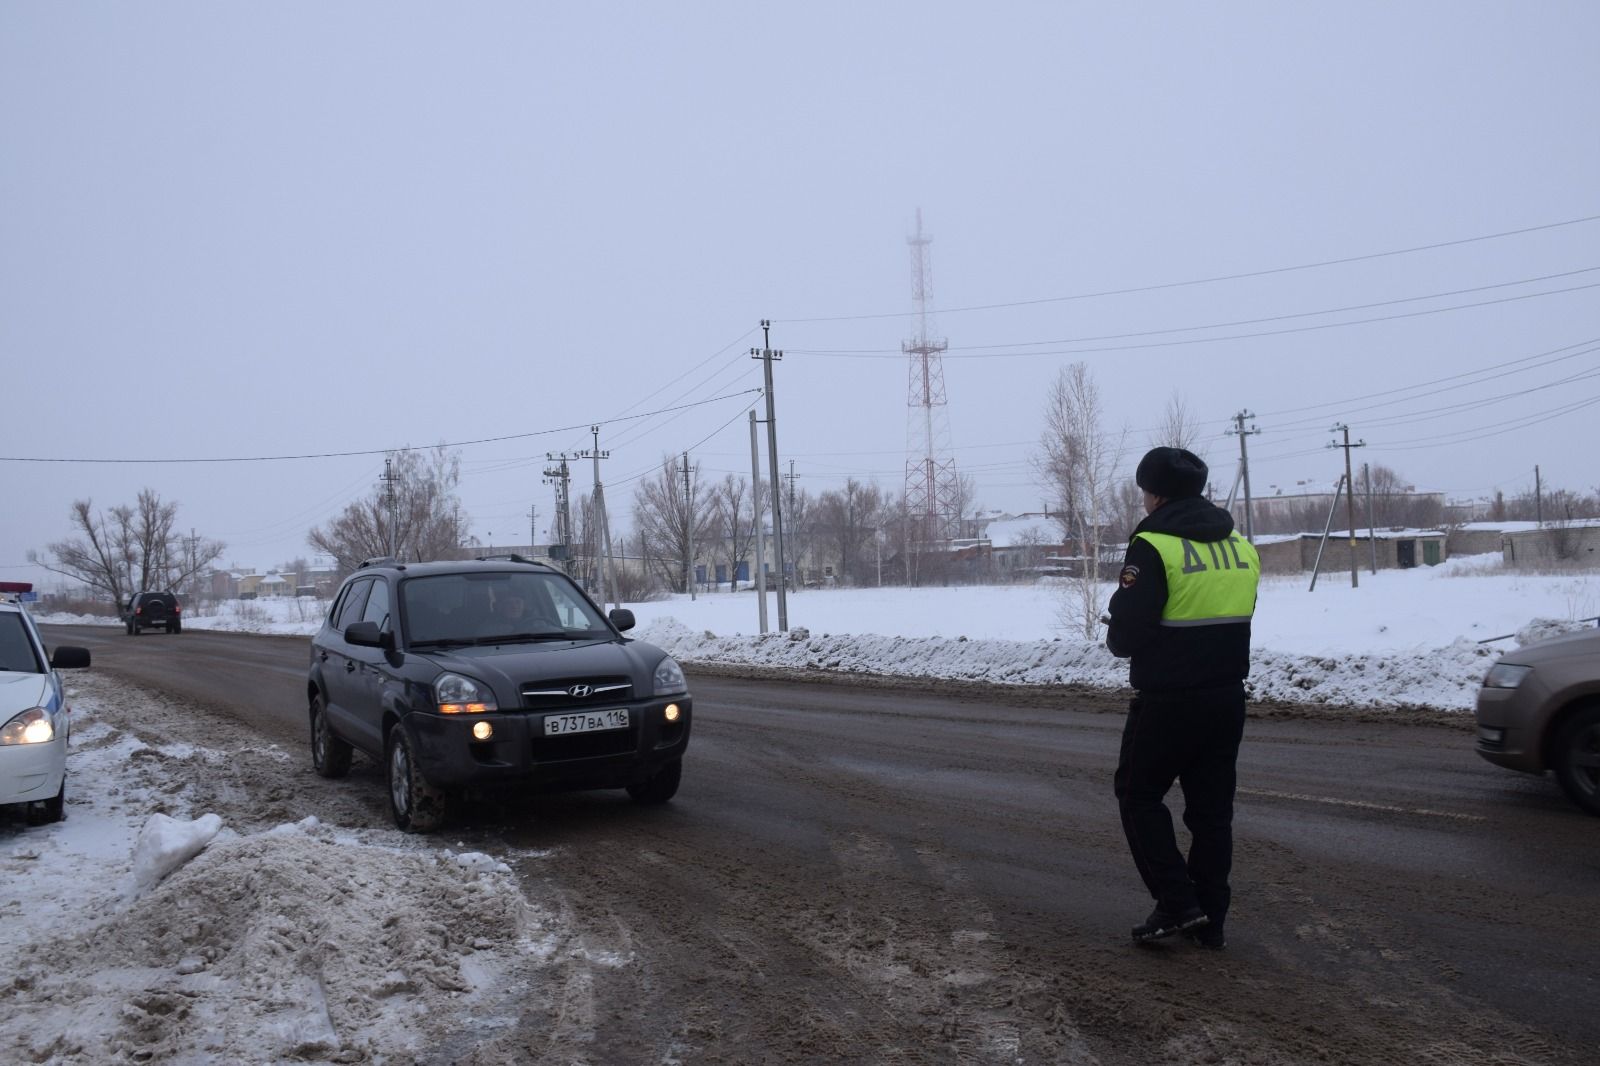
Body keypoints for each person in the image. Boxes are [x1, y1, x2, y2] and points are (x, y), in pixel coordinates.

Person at [1106, 446, 1260, 949]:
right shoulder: (1239, 545)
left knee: (1138, 796)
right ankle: (1210, 917)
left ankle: (1177, 903)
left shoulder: (1153, 544)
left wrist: (1121, 631)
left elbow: (1128, 633)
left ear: (1155, 493)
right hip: (1227, 699)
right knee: (1212, 814)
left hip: (1168, 701)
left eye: (1144, 491)